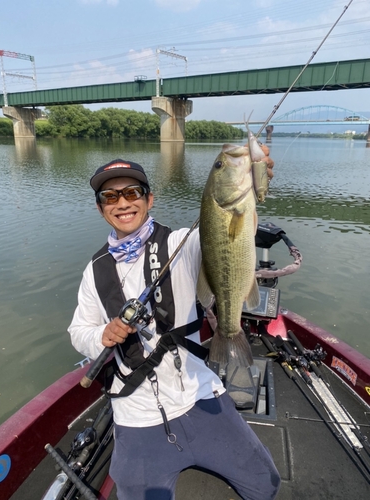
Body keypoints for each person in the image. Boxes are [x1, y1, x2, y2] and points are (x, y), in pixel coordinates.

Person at [68, 154, 280, 500]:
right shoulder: (95, 271)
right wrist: (101, 335)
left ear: (149, 199)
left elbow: (231, 234)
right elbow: (79, 331)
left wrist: (254, 182)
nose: (122, 203)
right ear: (100, 208)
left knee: (266, 485)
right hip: (136, 413)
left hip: (197, 394)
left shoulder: (184, 243)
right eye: (110, 196)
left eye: (132, 192)